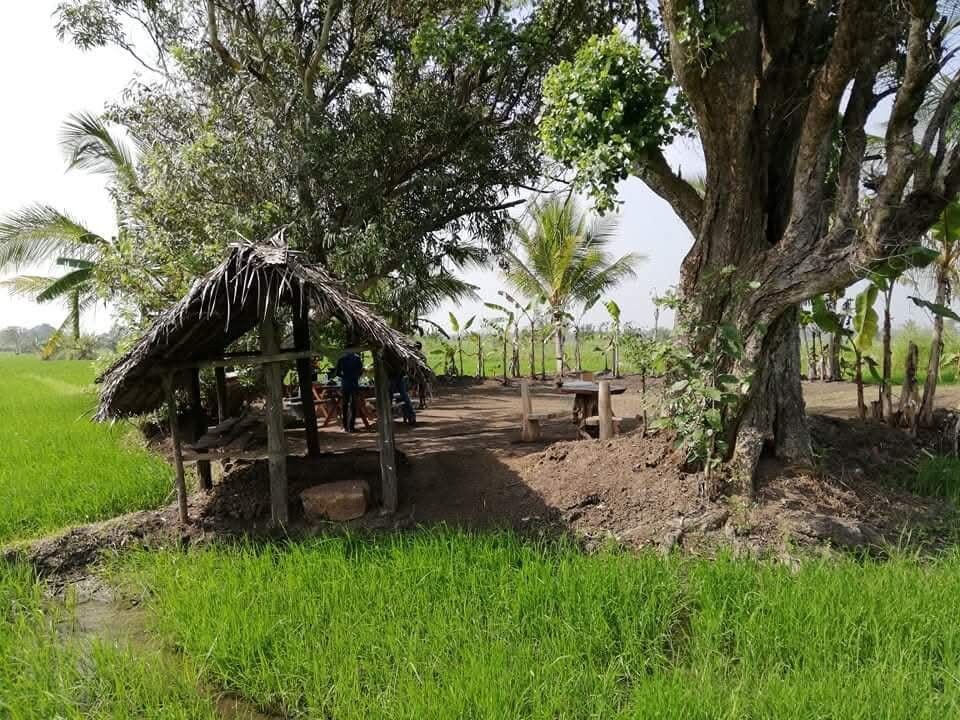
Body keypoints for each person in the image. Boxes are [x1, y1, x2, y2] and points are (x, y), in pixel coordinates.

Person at [334, 350, 364, 432]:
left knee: (344, 405)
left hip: (345, 384)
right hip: (354, 384)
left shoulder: (341, 359)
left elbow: (337, 373)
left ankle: (345, 426)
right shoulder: (357, 359)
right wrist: (355, 376)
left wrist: (345, 377)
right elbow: (361, 371)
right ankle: (351, 427)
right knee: (353, 405)